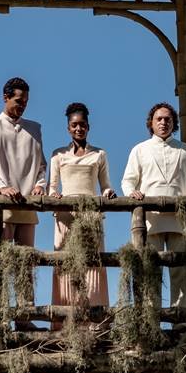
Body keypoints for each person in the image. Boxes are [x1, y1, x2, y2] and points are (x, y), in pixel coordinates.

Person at [121, 101, 186, 309]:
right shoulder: (140, 150)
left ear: (174, 123)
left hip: (180, 220)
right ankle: (152, 318)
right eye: (159, 119)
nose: (163, 122)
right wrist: (132, 193)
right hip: (150, 220)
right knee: (150, 269)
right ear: (151, 123)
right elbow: (128, 181)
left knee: (181, 271)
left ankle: (181, 321)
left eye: (168, 119)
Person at [0, 77, 47, 328]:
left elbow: (41, 165)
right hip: (2, 206)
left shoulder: (35, 128)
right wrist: (1, 187)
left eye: (26, 102)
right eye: (19, 101)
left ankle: (24, 317)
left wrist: (40, 184)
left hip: (28, 204)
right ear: (5, 97)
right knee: (0, 262)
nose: (23, 106)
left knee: (26, 264)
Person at [48, 102, 115, 328]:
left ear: (89, 126)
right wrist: (54, 196)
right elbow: (52, 187)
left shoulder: (99, 154)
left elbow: (105, 185)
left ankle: (95, 323)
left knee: (93, 266)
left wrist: (108, 192)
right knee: (66, 265)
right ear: (68, 128)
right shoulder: (58, 155)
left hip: (90, 218)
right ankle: (65, 323)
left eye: (83, 125)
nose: (79, 129)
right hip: (65, 216)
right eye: (74, 125)